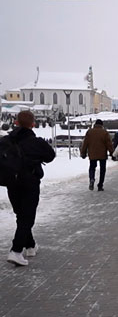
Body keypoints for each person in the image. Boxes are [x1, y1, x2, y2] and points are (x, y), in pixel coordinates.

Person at [3, 111, 55, 267]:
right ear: (33, 124)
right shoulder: (36, 142)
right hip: (30, 182)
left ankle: (30, 245)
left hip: (12, 182)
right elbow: (50, 156)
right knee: (27, 217)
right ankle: (16, 250)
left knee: (21, 214)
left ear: (16, 122)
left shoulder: (6, 141)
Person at [80, 119, 113, 191]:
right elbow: (109, 144)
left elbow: (85, 143)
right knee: (102, 170)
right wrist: (112, 152)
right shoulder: (104, 133)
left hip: (92, 154)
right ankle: (100, 185)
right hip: (102, 154)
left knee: (92, 167)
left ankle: (92, 179)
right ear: (102, 125)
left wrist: (83, 152)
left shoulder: (89, 132)